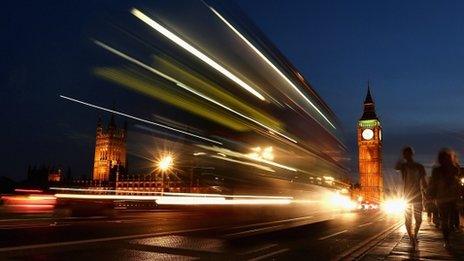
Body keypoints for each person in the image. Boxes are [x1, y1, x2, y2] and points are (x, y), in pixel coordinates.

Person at [395, 146, 427, 247]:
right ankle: (411, 237)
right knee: (408, 219)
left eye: (408, 153)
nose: (406, 155)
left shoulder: (419, 166)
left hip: (417, 194)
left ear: (411, 154)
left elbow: (424, 182)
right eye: (405, 154)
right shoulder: (403, 166)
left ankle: (415, 235)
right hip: (407, 195)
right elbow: (396, 167)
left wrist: (427, 193)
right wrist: (402, 160)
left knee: (419, 219)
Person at [428, 148, 460, 248]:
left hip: (447, 198)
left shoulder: (449, 169)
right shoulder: (447, 169)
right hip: (445, 198)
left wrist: (431, 195)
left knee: (448, 220)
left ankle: (447, 239)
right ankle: (447, 239)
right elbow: (433, 184)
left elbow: (433, 184)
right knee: (446, 220)